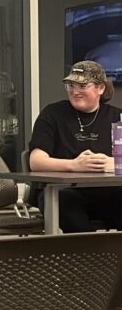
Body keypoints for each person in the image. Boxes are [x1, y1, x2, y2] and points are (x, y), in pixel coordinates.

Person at [29, 60, 122, 232]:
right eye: (71, 85)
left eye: (82, 85)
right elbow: (36, 161)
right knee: (65, 203)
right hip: (63, 192)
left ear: (100, 88)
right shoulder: (53, 114)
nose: (75, 91)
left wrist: (115, 164)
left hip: (108, 192)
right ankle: (88, 256)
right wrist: (74, 165)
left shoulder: (117, 117)